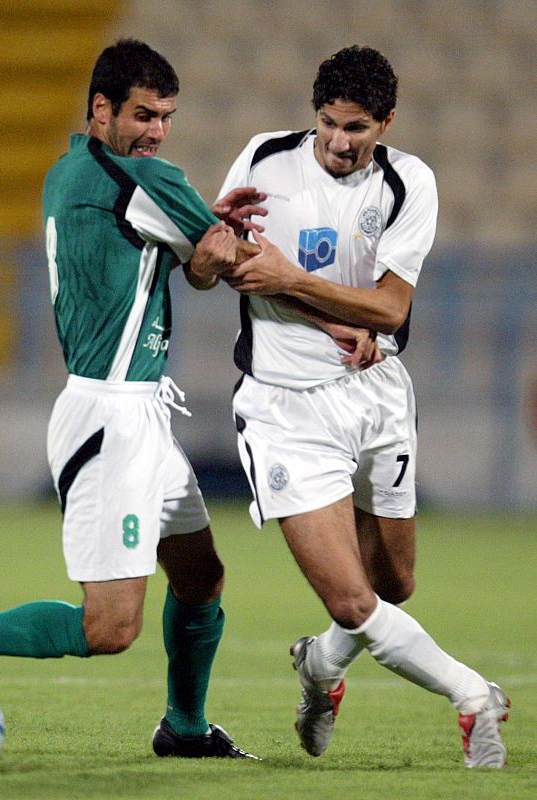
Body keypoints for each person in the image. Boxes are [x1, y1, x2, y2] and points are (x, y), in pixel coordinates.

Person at [0, 38, 265, 760]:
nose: (157, 132)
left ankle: (184, 728)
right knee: (110, 628)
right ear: (100, 108)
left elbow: (172, 246)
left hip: (140, 414)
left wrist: (196, 229)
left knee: (200, 574)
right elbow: (223, 264)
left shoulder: (67, 173)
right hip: (111, 421)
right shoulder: (144, 181)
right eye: (144, 115)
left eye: (167, 118)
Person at [216, 45, 510, 768]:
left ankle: (319, 667)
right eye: (327, 125)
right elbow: (225, 264)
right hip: (286, 406)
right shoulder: (265, 158)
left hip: (377, 396)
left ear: (386, 122)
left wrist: (297, 282)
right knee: (353, 601)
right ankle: (473, 697)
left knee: (393, 585)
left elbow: (388, 304)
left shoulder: (410, 182)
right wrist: (307, 303)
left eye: (356, 129)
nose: (338, 144)